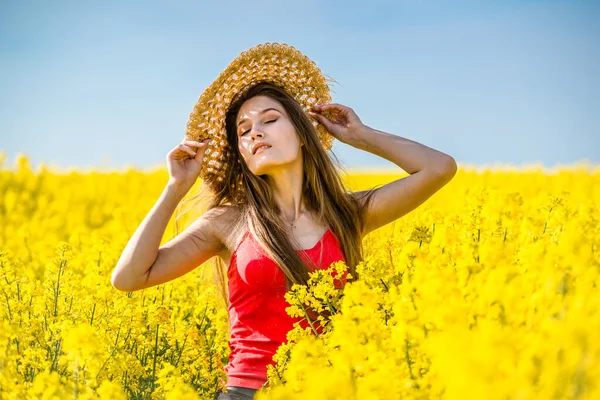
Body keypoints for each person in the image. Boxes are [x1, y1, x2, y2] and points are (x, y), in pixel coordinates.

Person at [111, 42, 457, 400]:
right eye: (243, 131)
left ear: (303, 135)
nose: (255, 132)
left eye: (270, 120)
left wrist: (360, 136)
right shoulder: (228, 222)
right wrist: (176, 187)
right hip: (247, 392)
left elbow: (439, 168)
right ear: (241, 155)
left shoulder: (347, 215)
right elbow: (129, 277)